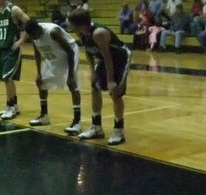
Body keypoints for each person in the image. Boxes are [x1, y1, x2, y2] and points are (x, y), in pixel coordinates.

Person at [67, 8, 131, 145]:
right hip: (103, 59)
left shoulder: (99, 33)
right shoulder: (82, 33)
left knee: (115, 93)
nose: (71, 27)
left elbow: (108, 57)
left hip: (119, 58)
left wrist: (111, 81)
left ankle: (119, 130)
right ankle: (96, 127)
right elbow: (89, 52)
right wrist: (92, 71)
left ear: (80, 24)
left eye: (72, 24)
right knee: (94, 86)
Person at [23, 19, 82, 134]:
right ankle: (44, 116)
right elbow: (37, 52)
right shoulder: (33, 34)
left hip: (69, 54)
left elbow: (70, 51)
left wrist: (70, 75)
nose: (33, 39)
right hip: (54, 55)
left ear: (37, 30)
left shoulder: (52, 32)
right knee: (42, 83)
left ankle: (77, 121)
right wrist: (38, 73)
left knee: (72, 85)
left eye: (33, 36)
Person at [0, 0, 30, 120]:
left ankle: (11, 106)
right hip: (1, 49)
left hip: (12, 49)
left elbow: (29, 23)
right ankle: (12, 106)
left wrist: (21, 41)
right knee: (5, 79)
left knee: (8, 78)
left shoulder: (14, 9)